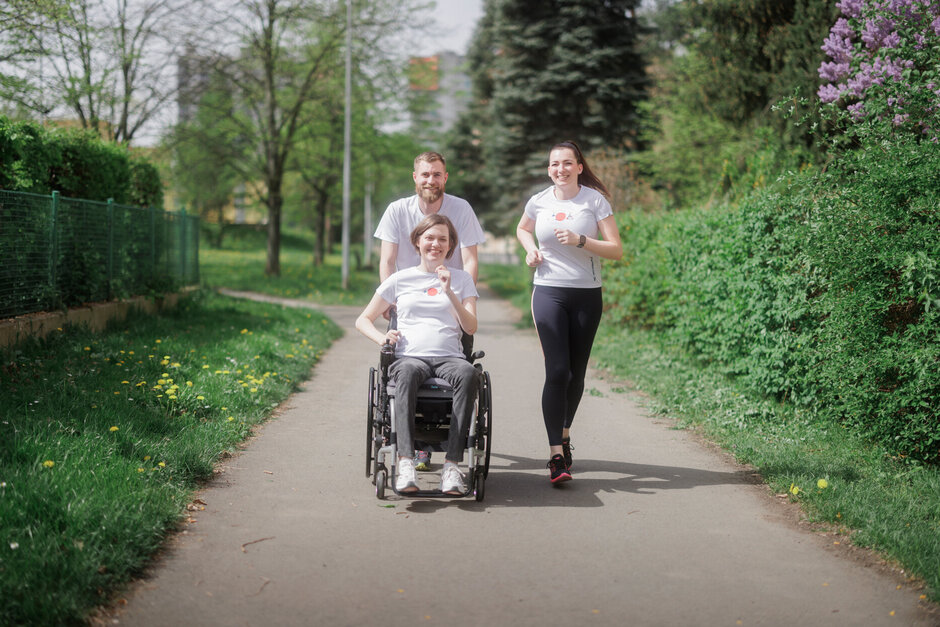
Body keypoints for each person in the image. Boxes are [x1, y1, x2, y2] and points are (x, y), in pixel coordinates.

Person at [515, 140, 623, 484]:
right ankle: (555, 457)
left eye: (566, 163)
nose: (559, 169)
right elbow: (522, 229)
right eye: (553, 164)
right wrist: (531, 249)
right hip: (548, 292)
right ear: (548, 170)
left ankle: (564, 434)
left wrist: (581, 241)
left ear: (579, 167)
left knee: (577, 374)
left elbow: (616, 249)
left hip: (587, 296)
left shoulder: (594, 201)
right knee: (557, 370)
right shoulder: (539, 200)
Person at [373, 151, 486, 471]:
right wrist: (392, 299)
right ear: (415, 177)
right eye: (425, 174)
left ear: (445, 177)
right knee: (405, 367)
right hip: (408, 296)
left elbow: (471, 258)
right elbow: (388, 259)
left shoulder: (460, 208)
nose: (430, 180)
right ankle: (409, 444)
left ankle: (448, 447)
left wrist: (465, 295)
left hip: (448, 297)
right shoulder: (397, 210)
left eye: (436, 174)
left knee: (459, 368)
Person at [357, 214, 480, 495]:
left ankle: (451, 466)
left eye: (442, 239)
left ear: (450, 247)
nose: (435, 244)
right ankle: (405, 462)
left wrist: (449, 292)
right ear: (417, 242)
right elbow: (363, 319)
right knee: (408, 372)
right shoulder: (400, 279)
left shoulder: (461, 280)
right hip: (409, 356)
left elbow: (471, 326)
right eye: (429, 238)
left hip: (450, 358)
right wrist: (382, 337)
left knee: (468, 373)